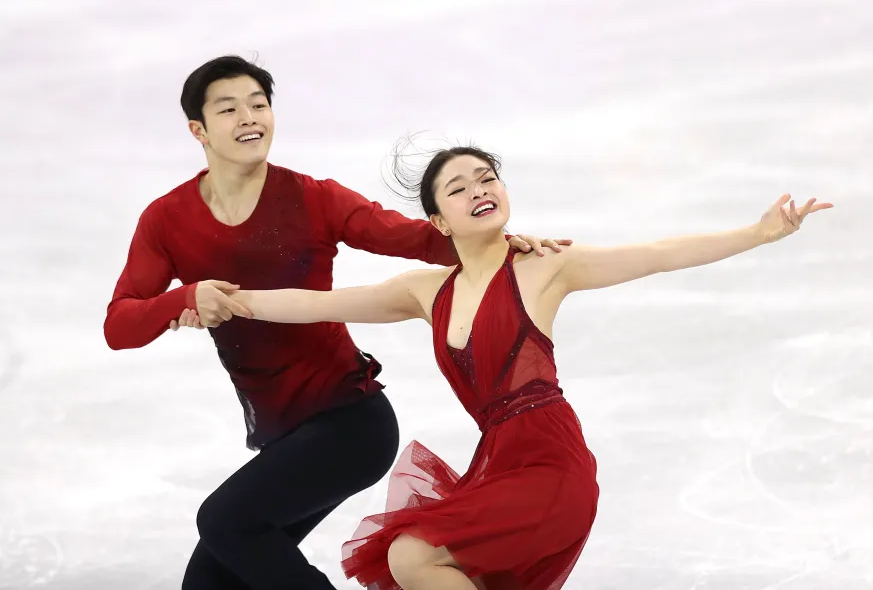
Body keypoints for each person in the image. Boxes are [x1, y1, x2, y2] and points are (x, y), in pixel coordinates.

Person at [223, 144, 833, 590]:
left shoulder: (544, 267)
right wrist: (233, 301)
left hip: (551, 461)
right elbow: (318, 304)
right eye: (458, 188)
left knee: (411, 555)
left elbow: (656, 256)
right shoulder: (424, 290)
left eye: (486, 178)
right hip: (496, 463)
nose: (478, 190)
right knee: (430, 565)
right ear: (437, 221)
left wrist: (757, 233)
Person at [102, 55, 568, 590]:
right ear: (198, 130)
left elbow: (415, 238)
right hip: (284, 433)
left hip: (349, 423)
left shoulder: (312, 198)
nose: (250, 118)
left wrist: (502, 244)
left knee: (225, 521)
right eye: (229, 109)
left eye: (259, 104)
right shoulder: (167, 218)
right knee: (212, 581)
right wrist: (183, 297)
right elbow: (121, 325)